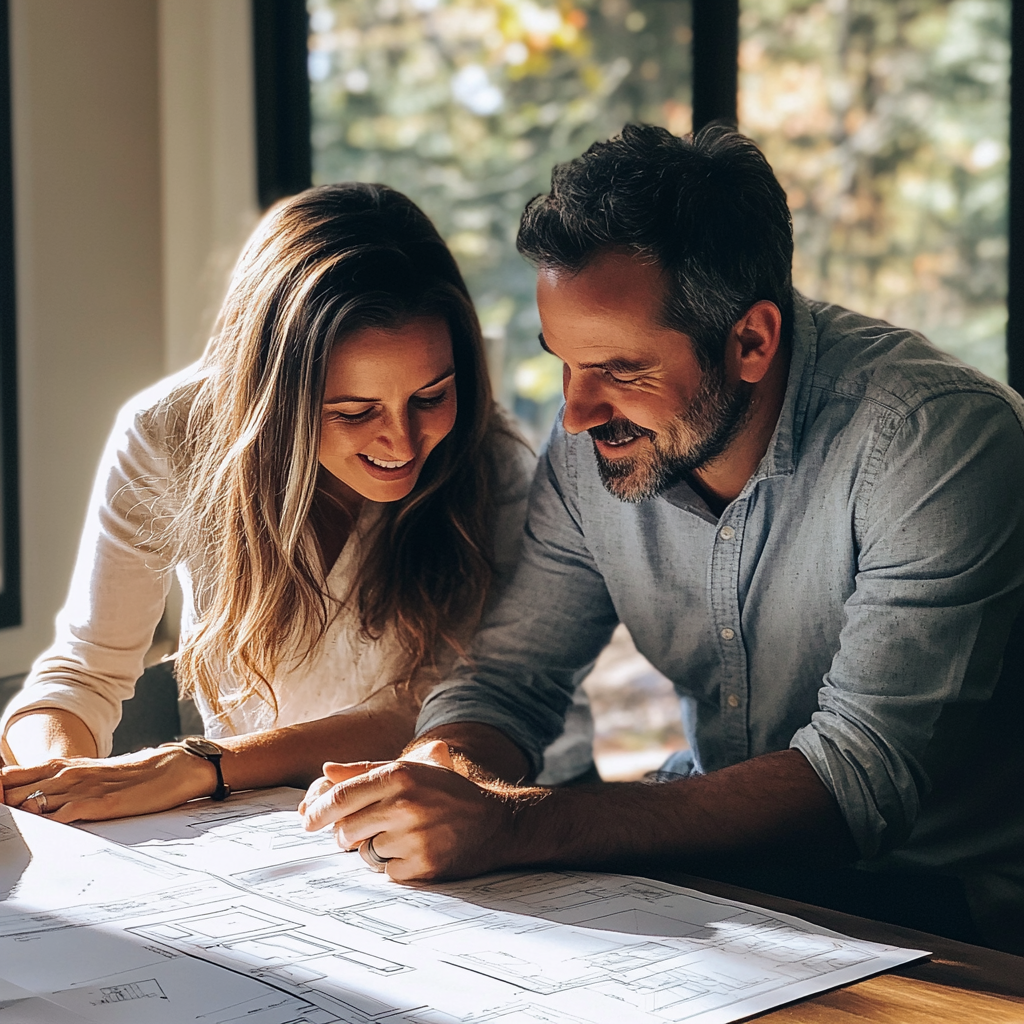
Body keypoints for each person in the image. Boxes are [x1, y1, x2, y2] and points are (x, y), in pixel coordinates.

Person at [299, 125, 1024, 955]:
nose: (574, 414)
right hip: (730, 886)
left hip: (954, 909)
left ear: (751, 341)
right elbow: (510, 680)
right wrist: (437, 767)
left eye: (622, 369)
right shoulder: (594, 449)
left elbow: (859, 780)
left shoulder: (935, 439)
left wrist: (509, 824)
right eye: (563, 364)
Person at [0, 183, 593, 822]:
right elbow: (86, 670)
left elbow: (442, 713)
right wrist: (55, 775)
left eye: (431, 397)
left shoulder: (491, 462)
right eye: (353, 410)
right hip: (275, 814)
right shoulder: (168, 436)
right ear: (274, 398)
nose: (402, 439)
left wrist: (201, 765)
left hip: (512, 805)